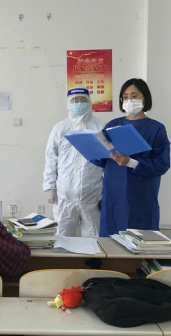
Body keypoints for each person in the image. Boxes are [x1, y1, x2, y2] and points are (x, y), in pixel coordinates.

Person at [91, 78, 170, 237]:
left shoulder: (156, 128)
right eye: (125, 97)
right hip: (114, 191)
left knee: (140, 237)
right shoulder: (113, 125)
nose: (129, 100)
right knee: (111, 237)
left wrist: (131, 162)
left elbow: (161, 164)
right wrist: (91, 150)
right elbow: (104, 158)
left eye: (134, 96)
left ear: (145, 98)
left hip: (140, 191)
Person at [43, 88, 105, 237]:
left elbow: (108, 160)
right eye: (74, 101)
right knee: (62, 237)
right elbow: (51, 158)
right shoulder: (60, 128)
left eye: (83, 100)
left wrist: (107, 189)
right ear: (68, 104)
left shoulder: (100, 127)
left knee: (94, 238)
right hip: (65, 195)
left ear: (89, 102)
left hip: (93, 194)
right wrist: (50, 187)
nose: (79, 103)